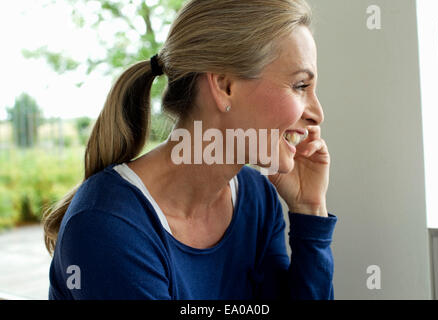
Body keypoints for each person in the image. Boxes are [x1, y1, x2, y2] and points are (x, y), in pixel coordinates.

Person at [43, 0, 338, 300]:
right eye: (300, 86)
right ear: (225, 86)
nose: (317, 113)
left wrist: (309, 210)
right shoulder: (106, 227)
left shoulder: (257, 200)